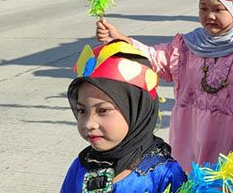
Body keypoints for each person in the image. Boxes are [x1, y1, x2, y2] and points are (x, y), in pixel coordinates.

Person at [95, 0, 233, 192]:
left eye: (218, 9)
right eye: (203, 8)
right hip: (190, 136)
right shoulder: (187, 45)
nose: (209, 15)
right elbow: (154, 58)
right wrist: (120, 39)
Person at [61, 41, 186, 192]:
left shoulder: (164, 174)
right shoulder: (81, 165)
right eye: (82, 111)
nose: (89, 124)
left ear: (136, 110)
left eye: (102, 110)